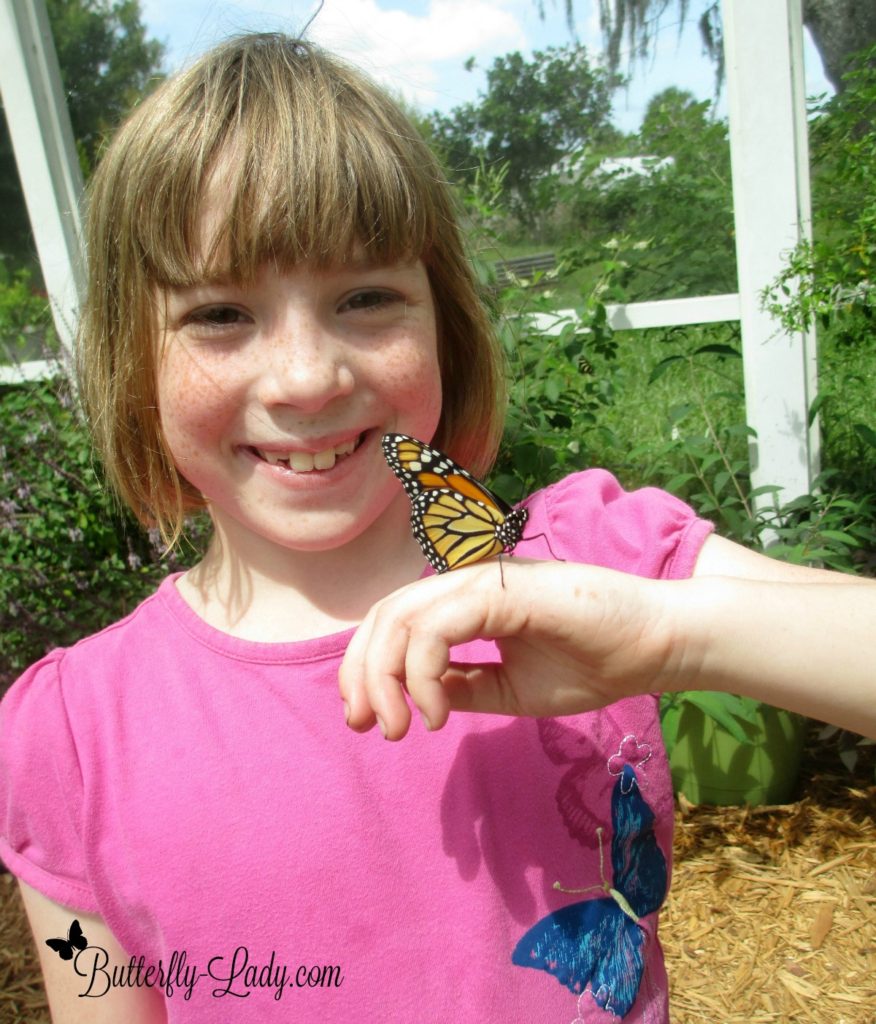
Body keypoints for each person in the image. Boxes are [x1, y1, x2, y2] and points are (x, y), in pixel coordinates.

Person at [0, 32, 871, 1024]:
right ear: (132, 362)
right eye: (219, 314)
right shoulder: (71, 738)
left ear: (445, 326)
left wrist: (675, 634)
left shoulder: (583, 564)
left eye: (367, 297)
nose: (305, 377)